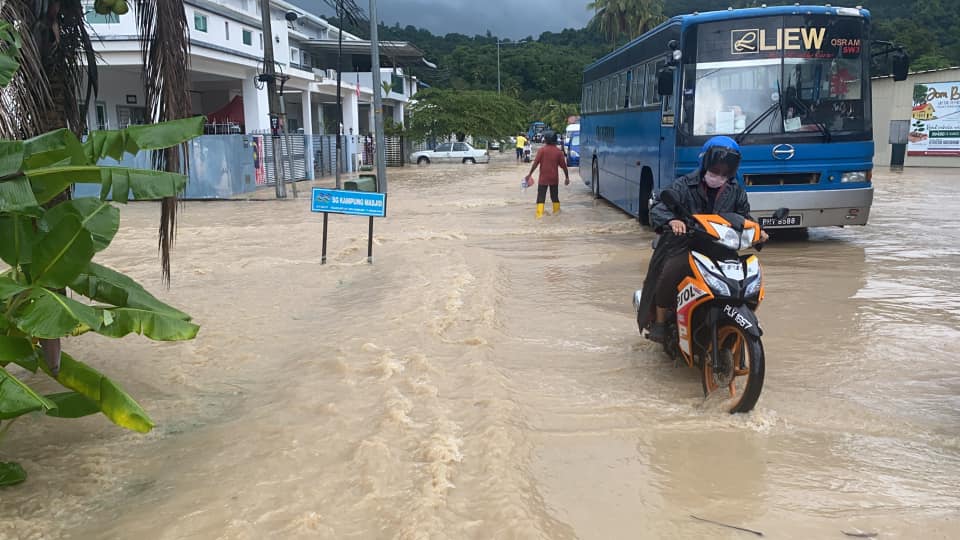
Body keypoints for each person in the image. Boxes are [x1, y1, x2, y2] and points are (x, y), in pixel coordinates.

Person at [637, 135, 768, 343]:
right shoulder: (683, 185)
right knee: (670, 273)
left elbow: (744, 218)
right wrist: (672, 221)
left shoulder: (737, 192)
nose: (720, 174)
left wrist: (758, 232)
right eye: (716, 169)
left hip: (721, 250)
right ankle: (661, 323)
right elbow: (659, 208)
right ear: (705, 162)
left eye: (726, 170)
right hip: (686, 247)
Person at [524, 130, 569, 218]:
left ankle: (539, 215)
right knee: (555, 197)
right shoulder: (558, 152)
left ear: (546, 140)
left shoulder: (542, 150)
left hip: (543, 179)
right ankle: (557, 214)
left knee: (541, 197)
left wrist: (530, 174)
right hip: (554, 178)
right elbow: (564, 166)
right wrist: (567, 177)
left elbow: (535, 164)